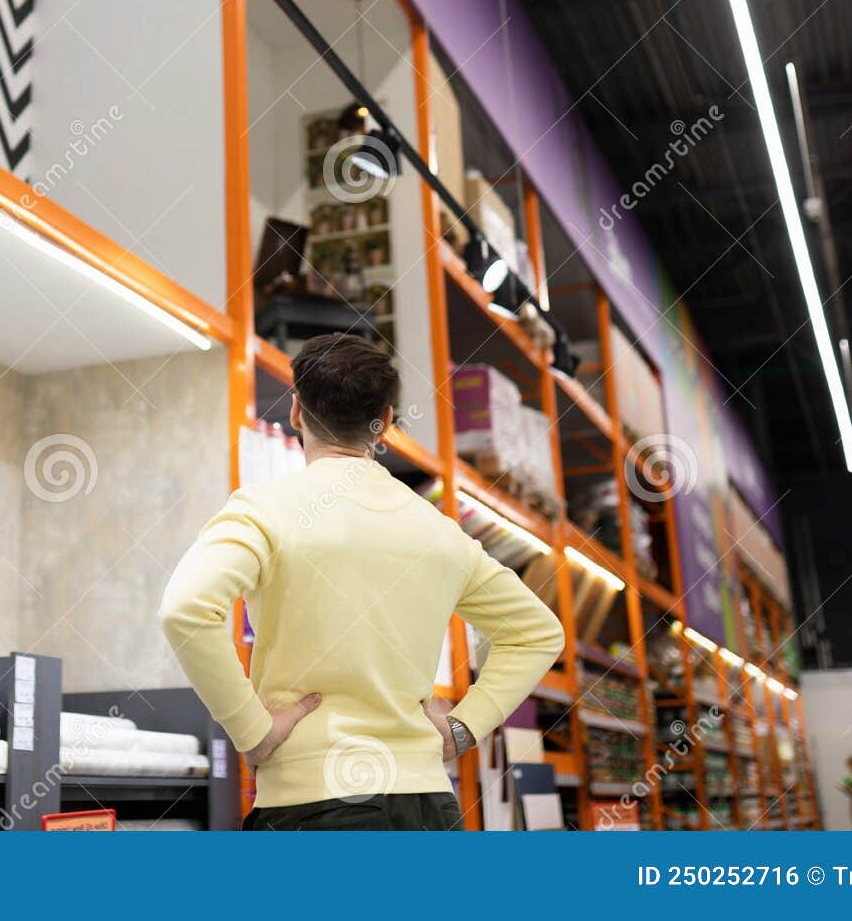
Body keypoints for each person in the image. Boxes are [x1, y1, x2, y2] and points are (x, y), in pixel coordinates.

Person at [160, 333, 565, 830]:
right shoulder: (439, 530)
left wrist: (252, 730)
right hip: (428, 808)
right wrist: (462, 730)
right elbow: (537, 633)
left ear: (295, 412)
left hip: (314, 803)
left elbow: (185, 609)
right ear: (387, 423)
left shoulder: (264, 509)